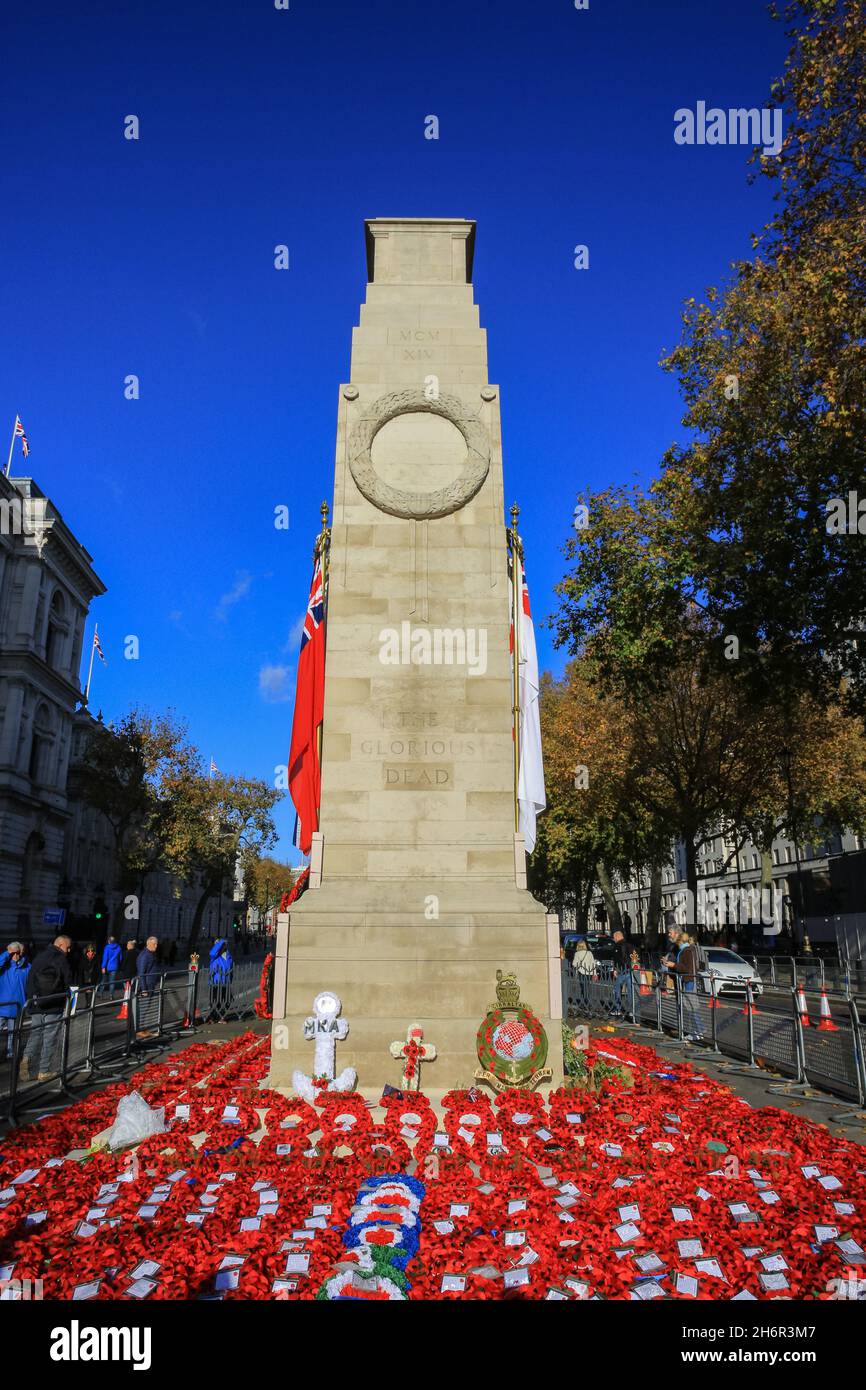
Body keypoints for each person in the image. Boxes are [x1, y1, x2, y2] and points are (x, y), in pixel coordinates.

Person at [22, 935, 72, 1081]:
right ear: (61, 944)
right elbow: (67, 980)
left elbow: (30, 979)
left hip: (37, 1002)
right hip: (53, 1004)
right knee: (50, 1036)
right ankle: (44, 1070)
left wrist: (32, 1001)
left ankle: (26, 1059)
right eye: (67, 947)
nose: (68, 951)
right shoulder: (61, 959)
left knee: (35, 1033)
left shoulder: (39, 957)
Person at [672, 931, 704, 1041]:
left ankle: (699, 1030)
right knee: (691, 1006)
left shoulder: (686, 951)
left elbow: (686, 968)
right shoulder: (687, 950)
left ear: (681, 941)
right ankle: (698, 1030)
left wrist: (674, 965)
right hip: (688, 980)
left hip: (689, 980)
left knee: (691, 1006)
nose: (677, 945)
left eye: (678, 943)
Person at [0, 942, 29, 1061]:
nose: (15, 955)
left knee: (14, 1033)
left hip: (17, 1007)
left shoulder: (27, 966)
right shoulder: (4, 966)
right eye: (13, 953)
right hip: (2, 1007)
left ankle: (11, 1054)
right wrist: (8, 953)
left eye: (17, 952)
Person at [135, 936, 159, 1038]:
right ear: (148, 944)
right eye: (154, 944)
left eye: (156, 944)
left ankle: (143, 1029)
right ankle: (139, 1030)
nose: (156, 946)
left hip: (150, 984)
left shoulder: (150, 954)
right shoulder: (145, 955)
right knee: (143, 1008)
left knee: (147, 1007)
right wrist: (144, 989)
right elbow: (141, 973)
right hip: (146, 986)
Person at [612, 928, 639, 1020]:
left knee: (617, 988)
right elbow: (635, 958)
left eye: (614, 937)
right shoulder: (630, 945)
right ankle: (632, 1010)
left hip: (622, 971)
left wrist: (615, 969)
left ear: (617, 937)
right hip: (630, 970)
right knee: (630, 991)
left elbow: (617, 959)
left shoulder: (617, 946)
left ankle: (618, 1008)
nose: (613, 939)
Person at [208, 939, 234, 1020]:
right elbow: (212, 952)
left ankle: (221, 1015)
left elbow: (231, 969)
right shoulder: (214, 956)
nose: (223, 947)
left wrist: (231, 979)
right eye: (221, 945)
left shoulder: (228, 956)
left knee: (228, 1000)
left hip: (225, 982)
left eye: (224, 945)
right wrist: (221, 942)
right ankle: (214, 1017)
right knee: (215, 1001)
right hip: (215, 982)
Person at [572, 936, 596, 1009]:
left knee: (583, 988)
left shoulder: (577, 953)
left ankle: (586, 1003)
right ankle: (587, 1002)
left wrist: (579, 963)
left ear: (578, 946)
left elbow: (574, 964)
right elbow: (593, 964)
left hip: (581, 972)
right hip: (589, 972)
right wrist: (594, 973)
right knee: (587, 987)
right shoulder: (589, 953)